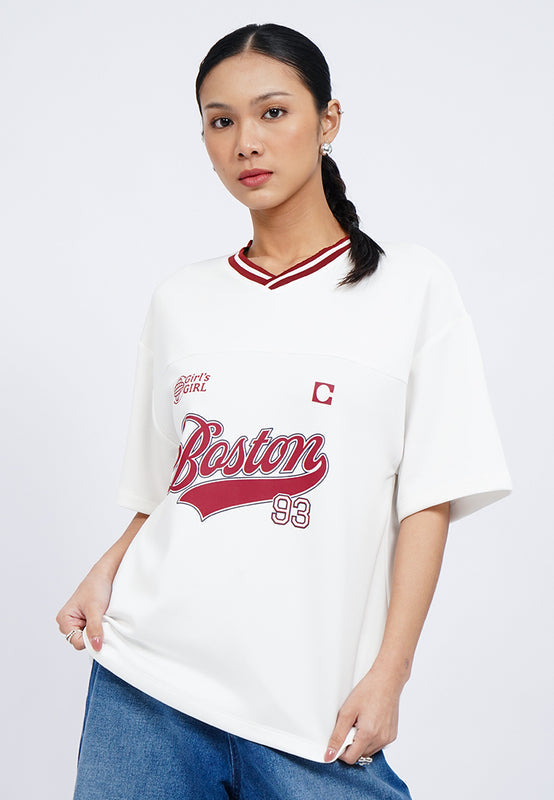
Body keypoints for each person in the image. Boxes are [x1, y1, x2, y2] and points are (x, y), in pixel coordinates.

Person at [57, 22, 513, 800]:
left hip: (312, 712)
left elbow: (428, 499)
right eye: (221, 121)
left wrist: (392, 672)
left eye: (273, 112)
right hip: (147, 687)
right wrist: (107, 568)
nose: (246, 143)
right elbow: (172, 487)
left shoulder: (412, 288)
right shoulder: (180, 300)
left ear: (328, 120)